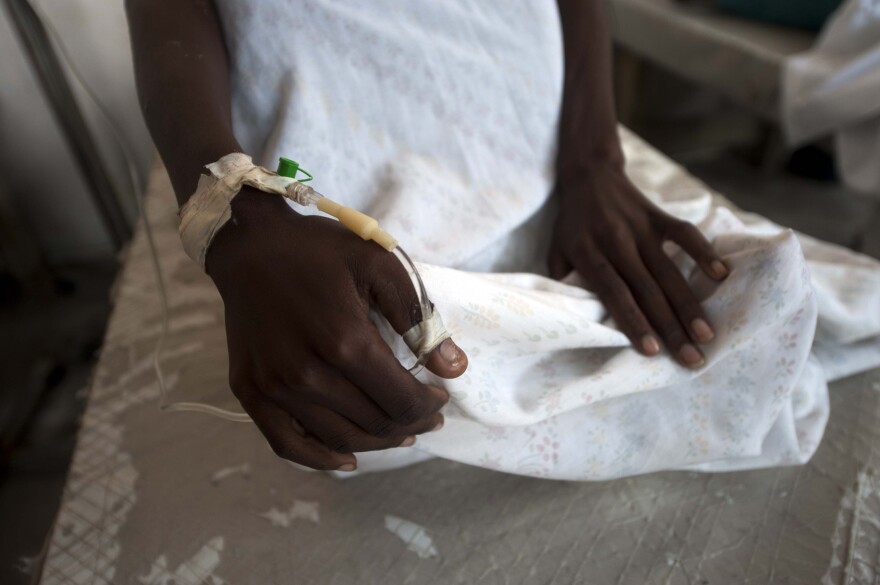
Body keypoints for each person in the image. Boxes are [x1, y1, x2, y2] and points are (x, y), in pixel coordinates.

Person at [125, 1, 880, 480]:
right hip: (323, 114)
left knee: (745, 283)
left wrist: (592, 158)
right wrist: (234, 216)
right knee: (360, 340)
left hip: (534, 119)